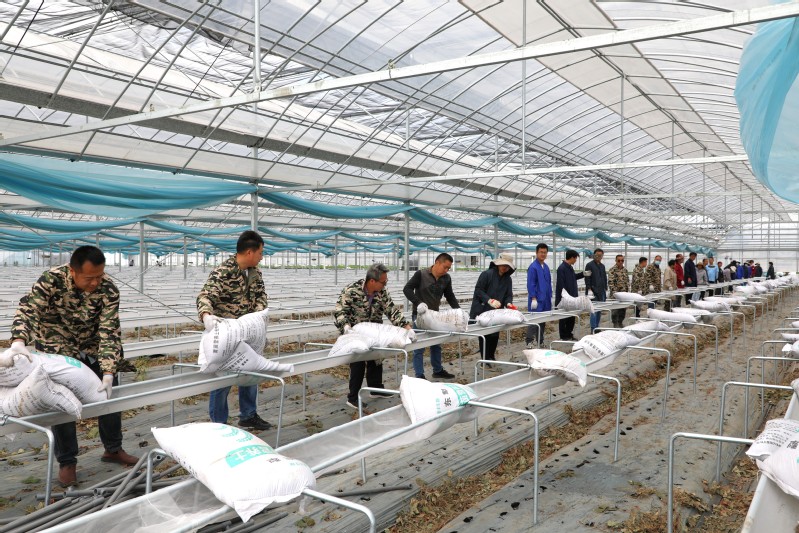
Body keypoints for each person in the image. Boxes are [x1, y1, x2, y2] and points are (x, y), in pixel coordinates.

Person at [10, 245, 137, 487]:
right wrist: (18, 340)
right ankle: (67, 461)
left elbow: (109, 331)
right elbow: (28, 311)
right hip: (57, 346)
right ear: (72, 271)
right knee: (61, 401)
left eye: (99, 276)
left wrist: (108, 371)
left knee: (109, 396)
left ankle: (113, 449)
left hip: (92, 346)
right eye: (89, 278)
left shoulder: (108, 289)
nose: (95, 283)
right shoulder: (51, 281)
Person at [197, 230, 272, 431]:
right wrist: (206, 315)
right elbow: (205, 296)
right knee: (222, 379)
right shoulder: (223, 272)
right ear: (249, 252)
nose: (261, 257)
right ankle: (219, 424)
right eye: (260, 253)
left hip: (249, 333)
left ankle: (248, 415)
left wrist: (258, 315)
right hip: (227, 335)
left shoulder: (255, 273)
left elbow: (262, 296)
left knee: (250, 372)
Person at [335, 263, 411, 409]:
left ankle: (375, 389)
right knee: (358, 363)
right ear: (372, 281)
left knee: (376, 359)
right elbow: (340, 311)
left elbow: (392, 311)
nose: (385, 284)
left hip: (375, 333)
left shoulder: (382, 292)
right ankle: (353, 397)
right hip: (355, 334)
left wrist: (406, 327)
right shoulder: (352, 290)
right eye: (383, 282)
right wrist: (346, 328)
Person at [403, 253, 458, 380]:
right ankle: (419, 375)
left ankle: (437, 370)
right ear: (437, 262)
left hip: (435, 316)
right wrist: (418, 302)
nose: (446, 270)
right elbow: (407, 289)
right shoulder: (421, 274)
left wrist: (458, 311)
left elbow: (450, 296)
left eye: (448, 268)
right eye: (445, 267)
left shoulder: (446, 278)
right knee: (419, 345)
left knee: (436, 343)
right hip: (420, 316)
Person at [469, 253, 515, 362]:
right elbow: (479, 290)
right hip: (483, 309)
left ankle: (491, 356)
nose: (505, 267)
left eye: (507, 266)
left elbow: (508, 295)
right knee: (485, 334)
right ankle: (485, 359)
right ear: (498, 264)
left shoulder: (507, 279)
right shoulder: (486, 274)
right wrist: (489, 300)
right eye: (503, 265)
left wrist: (508, 303)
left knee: (495, 333)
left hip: (497, 311)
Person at [555, 250, 588, 341]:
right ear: (572, 257)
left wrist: (583, 274)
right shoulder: (561, 268)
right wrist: (566, 297)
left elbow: (573, 277)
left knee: (571, 316)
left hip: (572, 297)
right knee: (564, 317)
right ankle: (564, 336)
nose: (576, 260)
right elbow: (561, 285)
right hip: (565, 298)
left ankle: (569, 333)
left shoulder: (570, 268)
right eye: (575, 258)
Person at [526, 243, 552, 347]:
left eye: (545, 252)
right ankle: (529, 341)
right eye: (541, 252)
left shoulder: (546, 267)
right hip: (537, 299)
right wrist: (533, 297)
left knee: (542, 321)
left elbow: (548, 283)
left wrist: (550, 296)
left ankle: (540, 341)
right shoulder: (533, 267)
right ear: (536, 253)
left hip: (545, 299)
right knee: (534, 320)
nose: (543, 254)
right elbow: (531, 283)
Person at [584, 248, 607, 333]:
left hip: (601, 290)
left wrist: (605, 287)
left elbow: (604, 277)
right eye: (597, 255)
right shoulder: (589, 265)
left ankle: (597, 326)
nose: (599, 257)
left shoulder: (602, 266)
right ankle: (593, 328)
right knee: (593, 310)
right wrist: (589, 288)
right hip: (593, 291)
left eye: (600, 255)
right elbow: (587, 277)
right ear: (594, 255)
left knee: (599, 309)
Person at [608, 254, 629, 328]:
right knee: (615, 310)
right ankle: (615, 323)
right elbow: (610, 282)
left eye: (622, 260)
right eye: (619, 260)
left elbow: (627, 281)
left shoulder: (625, 270)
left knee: (623, 309)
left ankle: (620, 322)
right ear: (616, 260)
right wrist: (615, 293)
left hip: (624, 295)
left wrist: (627, 292)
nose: (620, 262)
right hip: (615, 295)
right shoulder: (612, 270)